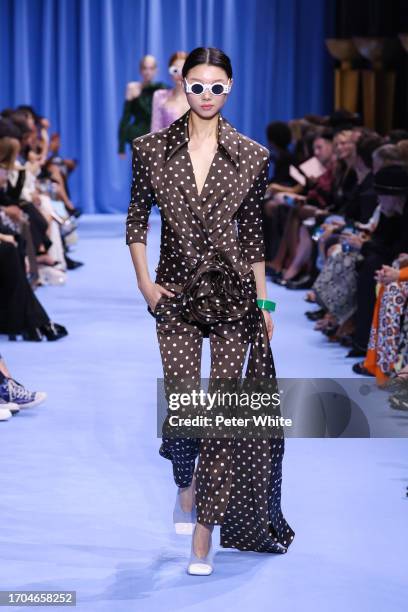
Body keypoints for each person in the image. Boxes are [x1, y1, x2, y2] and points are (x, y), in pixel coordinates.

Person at [126, 46, 294, 576]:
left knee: (220, 415)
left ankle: (205, 532)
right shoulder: (151, 149)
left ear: (230, 89)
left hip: (233, 298)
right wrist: (145, 284)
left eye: (216, 86)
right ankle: (185, 477)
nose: (205, 95)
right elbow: (135, 221)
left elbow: (252, 237)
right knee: (183, 404)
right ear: (182, 85)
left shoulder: (251, 155)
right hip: (173, 296)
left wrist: (264, 299)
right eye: (196, 85)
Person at [118, 55, 168, 156]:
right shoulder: (132, 89)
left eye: (151, 68)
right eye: (145, 68)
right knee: (141, 170)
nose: (148, 72)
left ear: (156, 70)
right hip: (139, 137)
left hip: (157, 138)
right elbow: (125, 117)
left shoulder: (162, 90)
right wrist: (121, 147)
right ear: (140, 70)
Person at [150, 51, 190, 132]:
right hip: (168, 144)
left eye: (183, 69)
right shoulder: (160, 96)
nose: (180, 74)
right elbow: (155, 130)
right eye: (175, 70)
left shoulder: (198, 97)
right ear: (170, 72)